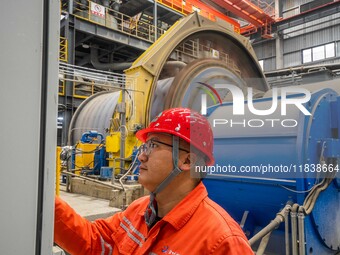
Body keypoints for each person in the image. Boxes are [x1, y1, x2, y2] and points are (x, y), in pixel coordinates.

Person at [54, 107, 254, 255]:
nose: (141, 157)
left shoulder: (222, 242)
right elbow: (93, 242)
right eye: (144, 147)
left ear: (187, 160)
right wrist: (44, 201)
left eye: (153, 145)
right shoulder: (139, 211)